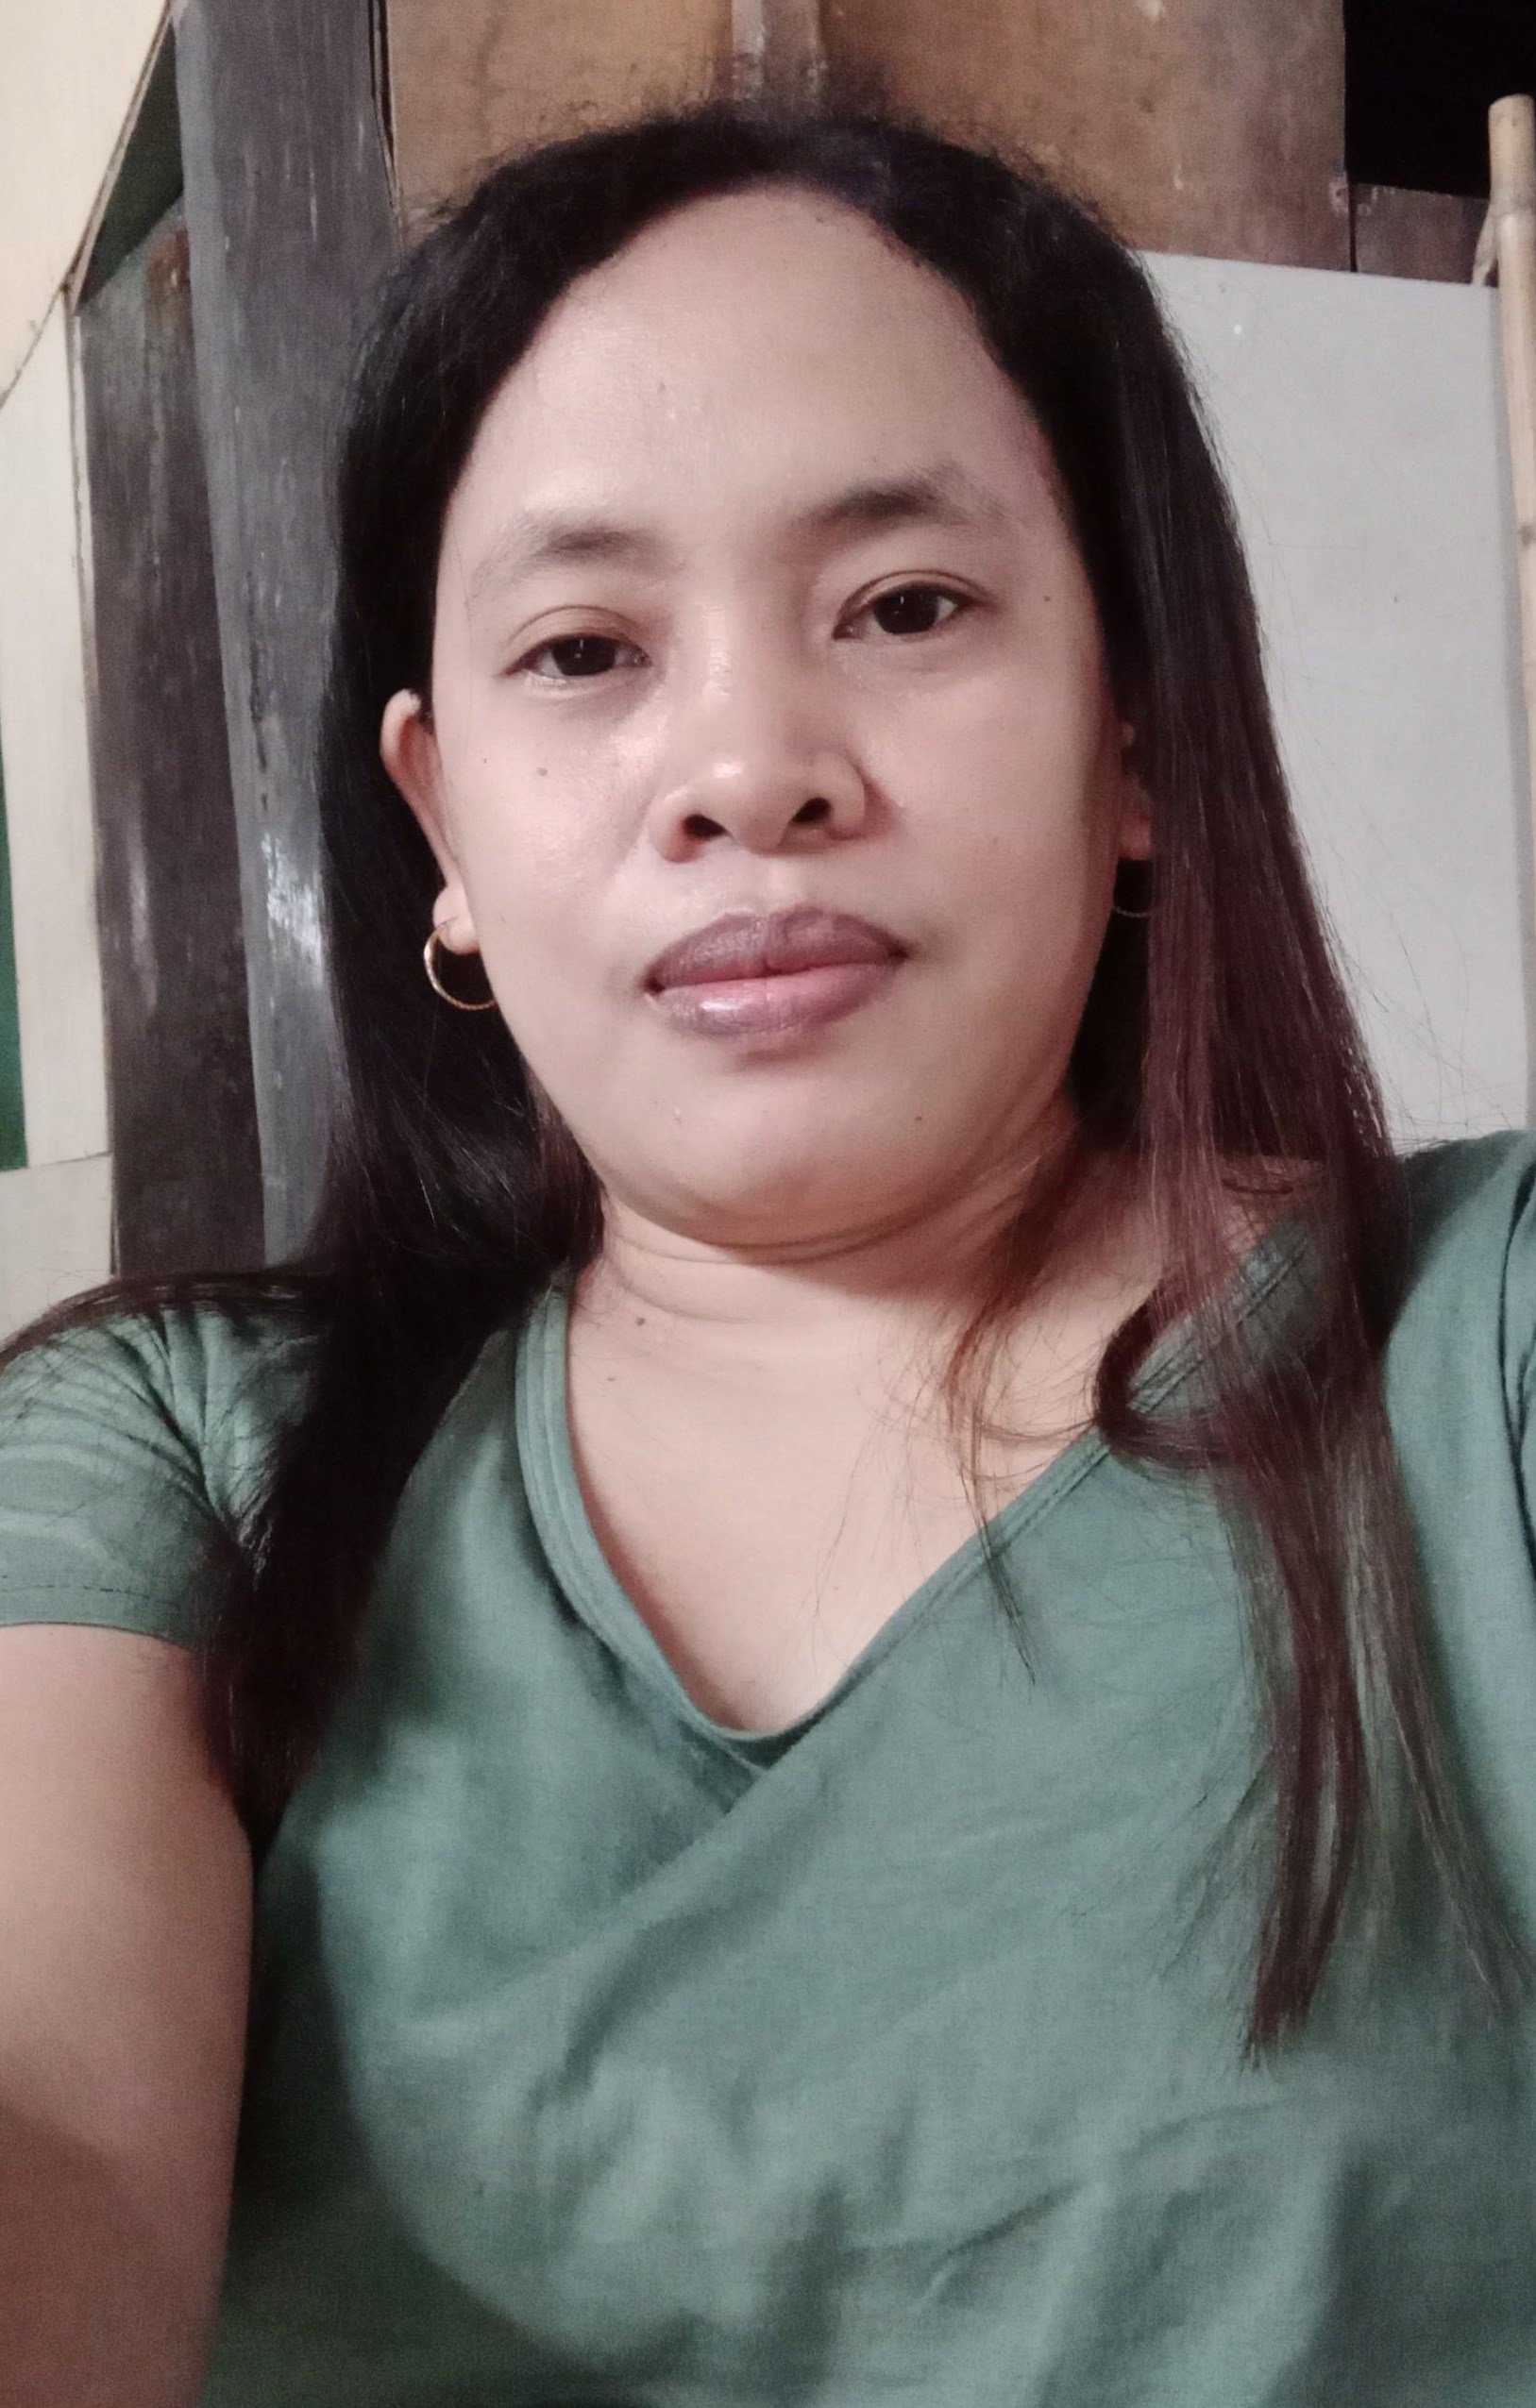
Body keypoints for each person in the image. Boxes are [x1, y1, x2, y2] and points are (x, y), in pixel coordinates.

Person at [0, 89, 1533, 2408]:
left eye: (904, 606)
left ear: (1133, 733)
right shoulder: (181, 1460)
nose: (746, 770)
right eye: (583, 651)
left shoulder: (1481, 1357)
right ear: (438, 819)